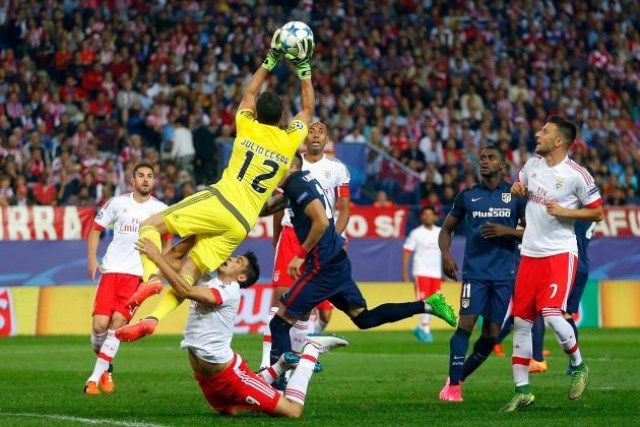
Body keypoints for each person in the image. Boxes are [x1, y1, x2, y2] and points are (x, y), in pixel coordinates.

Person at [115, 30, 315, 342]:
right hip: (242, 223)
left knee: (150, 224)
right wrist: (304, 69)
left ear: (257, 113)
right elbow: (308, 109)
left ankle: (150, 278)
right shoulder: (290, 141)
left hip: (220, 199)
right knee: (189, 275)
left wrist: (271, 59)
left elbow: (249, 93)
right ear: (281, 120)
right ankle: (154, 318)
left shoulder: (247, 125)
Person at [259, 153, 457, 371]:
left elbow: (322, 222)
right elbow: (269, 207)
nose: (271, 172)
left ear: (292, 167)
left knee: (279, 321)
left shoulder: (297, 185)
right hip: (337, 263)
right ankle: (428, 305)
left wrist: (300, 255)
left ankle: (277, 383)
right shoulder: (298, 184)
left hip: (322, 266)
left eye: (276, 167)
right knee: (364, 318)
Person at [134, 236, 348, 418]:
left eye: (238, 260)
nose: (230, 258)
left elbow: (184, 290)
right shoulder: (208, 278)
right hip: (209, 380)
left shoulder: (230, 292)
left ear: (242, 276)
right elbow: (182, 262)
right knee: (231, 410)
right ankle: (281, 365)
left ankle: (311, 350)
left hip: (231, 375)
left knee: (292, 411)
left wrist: (156, 256)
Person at [501, 116, 604, 412]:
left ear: (559, 141)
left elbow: (597, 213)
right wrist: (515, 190)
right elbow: (517, 188)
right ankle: (522, 390)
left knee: (551, 311)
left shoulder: (577, 175)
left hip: (559, 253)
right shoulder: (532, 165)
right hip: (530, 253)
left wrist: (566, 212)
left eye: (544, 131)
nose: (537, 133)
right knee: (521, 321)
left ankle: (578, 365)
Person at [437, 146, 526, 402]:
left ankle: (459, 377)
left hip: (504, 274)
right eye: (483, 158)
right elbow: (446, 230)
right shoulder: (468, 196)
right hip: (475, 273)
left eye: (491, 158)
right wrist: (447, 255)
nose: (485, 162)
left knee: (490, 334)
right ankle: (453, 387)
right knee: (465, 324)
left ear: (502, 165)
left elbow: (533, 233)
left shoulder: (515, 195)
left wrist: (506, 231)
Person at [260, 121, 351, 369]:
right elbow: (279, 205)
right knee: (279, 303)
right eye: (311, 130)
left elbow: (344, 209)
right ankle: (267, 366)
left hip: (322, 238)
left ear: (327, 139)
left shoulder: (337, 169)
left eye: (321, 131)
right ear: (305, 137)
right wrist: (276, 236)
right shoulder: (291, 163)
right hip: (291, 234)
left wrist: (334, 238)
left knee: (306, 308)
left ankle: (295, 366)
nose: (315, 135)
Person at [84, 163, 168, 395]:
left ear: (154, 182)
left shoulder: (161, 209)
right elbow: (95, 229)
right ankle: (106, 367)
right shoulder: (117, 203)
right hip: (111, 271)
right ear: (133, 180)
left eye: (150, 176)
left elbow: (168, 238)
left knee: (118, 323)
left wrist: (160, 268)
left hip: (136, 276)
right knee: (100, 325)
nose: (145, 180)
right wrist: (92, 260)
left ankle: (95, 378)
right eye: (141, 175)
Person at [527, 219, 596, 374]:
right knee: (566, 314)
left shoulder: (574, 214)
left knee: (538, 308)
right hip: (582, 266)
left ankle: (538, 359)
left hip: (567, 264)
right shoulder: (590, 214)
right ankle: (574, 364)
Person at [402, 206, 443, 343]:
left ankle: (420, 327)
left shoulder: (440, 232)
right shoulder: (416, 233)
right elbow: (407, 252)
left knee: (435, 303)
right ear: (421, 217)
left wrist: (447, 273)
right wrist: (405, 273)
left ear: (435, 217)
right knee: (425, 301)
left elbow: (444, 253)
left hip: (436, 273)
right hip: (421, 272)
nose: (428, 217)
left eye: (430, 214)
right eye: (425, 214)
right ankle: (425, 328)